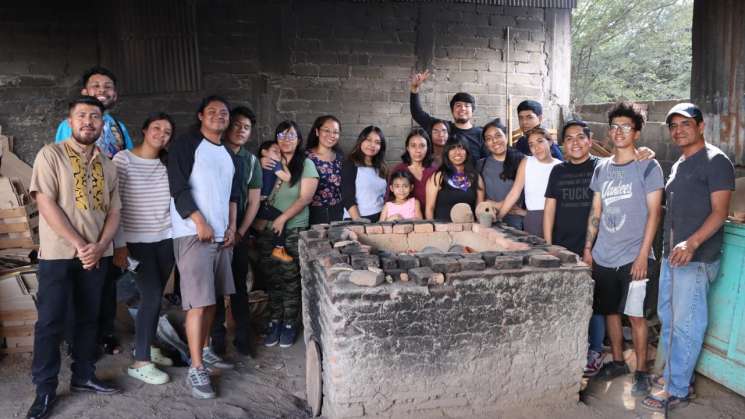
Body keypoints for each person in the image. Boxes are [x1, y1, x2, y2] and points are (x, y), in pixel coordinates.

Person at [27, 96, 122, 419]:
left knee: (88, 319)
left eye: (95, 117)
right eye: (82, 115)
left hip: (96, 255)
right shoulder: (50, 155)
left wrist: (99, 246)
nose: (88, 122)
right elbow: (45, 203)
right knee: (51, 322)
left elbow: (115, 212)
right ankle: (45, 389)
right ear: (70, 121)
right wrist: (81, 244)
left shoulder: (107, 164)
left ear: (102, 124)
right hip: (58, 255)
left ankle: (83, 375)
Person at [642, 103, 735, 412]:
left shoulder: (715, 161)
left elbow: (720, 213)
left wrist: (692, 243)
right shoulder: (681, 162)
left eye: (685, 124)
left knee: (687, 325)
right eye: (673, 126)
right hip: (673, 256)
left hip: (695, 258)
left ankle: (678, 387)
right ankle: (673, 375)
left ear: (700, 126)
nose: (678, 130)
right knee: (669, 320)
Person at [583, 102, 664, 397]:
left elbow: (655, 213)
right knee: (610, 313)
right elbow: (596, 210)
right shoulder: (602, 168)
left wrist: (644, 255)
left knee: (636, 316)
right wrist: (589, 247)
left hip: (634, 256)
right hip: (604, 254)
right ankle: (618, 362)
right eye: (614, 126)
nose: (619, 132)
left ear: (637, 133)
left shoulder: (648, 165)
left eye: (626, 127)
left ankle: (641, 371)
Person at [56, 66, 133, 356]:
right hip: (81, 216)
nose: (103, 90)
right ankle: (79, 341)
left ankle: (104, 332)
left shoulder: (119, 127)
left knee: (107, 279)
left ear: (115, 94)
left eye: (108, 86)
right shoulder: (72, 125)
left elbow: (125, 167)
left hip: (111, 213)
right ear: (84, 92)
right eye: (96, 85)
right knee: (82, 280)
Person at [168, 95, 240, 399]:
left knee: (211, 302)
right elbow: (178, 187)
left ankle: (206, 349)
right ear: (200, 116)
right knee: (197, 303)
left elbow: (233, 195)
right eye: (212, 112)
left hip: (223, 236)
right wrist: (199, 221)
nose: (218, 116)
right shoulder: (186, 144)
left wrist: (232, 228)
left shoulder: (228, 152)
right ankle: (196, 369)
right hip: (193, 234)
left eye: (223, 113)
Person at [112, 113, 175, 385]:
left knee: (155, 296)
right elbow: (115, 206)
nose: (161, 134)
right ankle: (140, 362)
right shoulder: (123, 160)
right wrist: (120, 244)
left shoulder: (167, 162)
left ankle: (148, 346)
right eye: (156, 128)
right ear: (144, 130)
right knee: (149, 296)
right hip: (136, 242)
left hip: (166, 239)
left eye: (167, 131)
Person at [256, 121, 319, 349]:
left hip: (292, 228)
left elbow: (305, 198)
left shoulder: (307, 164)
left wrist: (282, 218)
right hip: (267, 229)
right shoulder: (271, 161)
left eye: (291, 134)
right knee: (272, 277)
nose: (286, 139)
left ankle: (290, 324)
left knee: (290, 278)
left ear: (299, 139)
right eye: (281, 134)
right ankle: (275, 320)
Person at [210, 106, 263, 357]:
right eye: (237, 125)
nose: (241, 130)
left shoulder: (251, 162)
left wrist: (241, 231)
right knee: (215, 287)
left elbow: (253, 201)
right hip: (211, 231)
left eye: (246, 127)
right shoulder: (212, 153)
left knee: (239, 286)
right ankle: (217, 339)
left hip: (239, 231)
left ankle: (243, 337)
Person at [497, 127, 561, 237]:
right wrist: (498, 217)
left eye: (540, 141)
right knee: (536, 251)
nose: (536, 147)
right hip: (533, 219)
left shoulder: (560, 166)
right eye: (531, 144)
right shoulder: (527, 162)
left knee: (560, 252)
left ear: (550, 141)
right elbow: (515, 192)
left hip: (558, 217)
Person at [410, 70, 485, 160]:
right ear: (452, 110)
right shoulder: (443, 128)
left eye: (467, 106)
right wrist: (414, 89)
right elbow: (418, 114)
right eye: (458, 105)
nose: (463, 108)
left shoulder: (481, 134)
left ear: (472, 110)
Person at [477, 119, 526, 229]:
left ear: (506, 136)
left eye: (498, 136)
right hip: (489, 221)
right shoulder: (480, 165)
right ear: (485, 144)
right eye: (489, 139)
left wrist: (525, 212)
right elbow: (477, 198)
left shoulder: (522, 161)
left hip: (518, 225)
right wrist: (497, 205)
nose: (494, 141)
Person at [425, 136, 485, 221]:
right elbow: (429, 209)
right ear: (447, 153)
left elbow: (480, 210)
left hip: (469, 231)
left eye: (461, 148)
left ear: (467, 152)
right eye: (452, 148)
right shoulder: (438, 177)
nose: (457, 152)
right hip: (443, 231)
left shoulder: (476, 177)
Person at [341, 126, 388, 222]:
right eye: (368, 140)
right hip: (357, 218)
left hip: (380, 217)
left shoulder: (381, 167)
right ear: (361, 141)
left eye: (377, 142)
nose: (372, 145)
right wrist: (358, 220)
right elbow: (347, 197)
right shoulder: (350, 164)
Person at [256, 140, 293, 262]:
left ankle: (251, 239)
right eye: (275, 151)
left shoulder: (258, 163)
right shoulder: (274, 164)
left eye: (280, 152)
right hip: (259, 203)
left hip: (255, 202)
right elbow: (287, 178)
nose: (278, 154)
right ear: (264, 152)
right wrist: (284, 164)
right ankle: (278, 248)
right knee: (280, 218)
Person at [305, 115, 344, 224]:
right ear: (317, 132)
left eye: (335, 132)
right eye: (326, 130)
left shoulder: (340, 158)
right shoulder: (305, 157)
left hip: (337, 212)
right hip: (312, 213)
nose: (332, 135)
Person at [390, 128, 438, 209]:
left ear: (428, 148)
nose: (418, 150)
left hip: (433, 217)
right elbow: (389, 198)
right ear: (408, 148)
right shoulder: (399, 169)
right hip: (406, 218)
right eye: (413, 146)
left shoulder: (435, 170)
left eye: (422, 146)